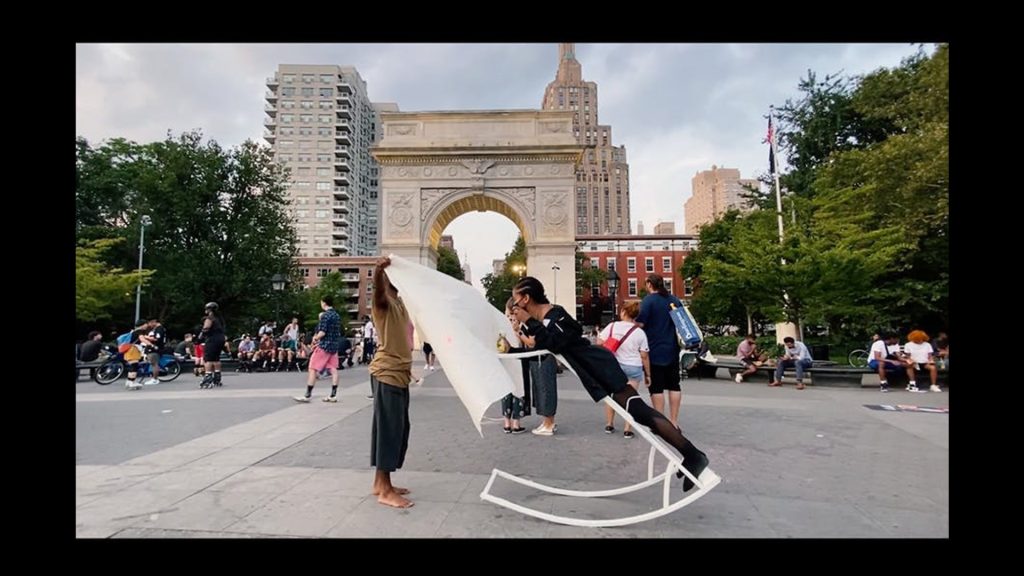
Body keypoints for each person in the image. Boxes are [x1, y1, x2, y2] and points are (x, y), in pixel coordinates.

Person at [510, 276, 711, 492]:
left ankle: (693, 455)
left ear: (525, 299)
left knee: (640, 412)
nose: (513, 307)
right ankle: (691, 455)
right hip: (597, 369)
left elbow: (555, 342)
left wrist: (528, 322)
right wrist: (512, 351)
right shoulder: (548, 319)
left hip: (600, 367)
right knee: (639, 412)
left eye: (514, 301)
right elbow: (543, 350)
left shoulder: (555, 315)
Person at [368, 256, 415, 508]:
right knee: (389, 430)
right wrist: (378, 273)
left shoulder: (400, 304)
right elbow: (377, 294)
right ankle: (385, 491)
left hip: (399, 373)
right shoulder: (383, 304)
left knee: (397, 429)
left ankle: (380, 483)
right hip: (387, 372)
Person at [636, 274, 685, 425]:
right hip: (672, 348)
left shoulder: (648, 301)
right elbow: (682, 322)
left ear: (650, 284)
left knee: (656, 387)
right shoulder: (674, 300)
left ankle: (661, 423)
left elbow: (641, 324)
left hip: (654, 350)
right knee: (674, 385)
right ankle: (674, 421)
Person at [597, 300, 650, 438]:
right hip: (633, 366)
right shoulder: (639, 332)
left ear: (624, 312)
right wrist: (648, 375)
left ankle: (609, 423)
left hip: (614, 365)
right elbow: (644, 355)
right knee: (630, 398)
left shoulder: (612, 326)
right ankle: (628, 429)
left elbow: (599, 343)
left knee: (611, 396)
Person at [294, 296, 343, 403]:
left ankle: (308, 394)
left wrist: (315, 338)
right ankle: (333, 395)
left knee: (312, 368)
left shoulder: (326, 316)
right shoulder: (336, 315)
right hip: (334, 347)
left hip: (324, 346)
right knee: (333, 369)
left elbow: (323, 332)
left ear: (324, 303)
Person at [199, 302, 227, 388]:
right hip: (221, 339)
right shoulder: (219, 319)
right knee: (216, 358)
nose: (205, 311)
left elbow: (206, 328)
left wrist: (200, 336)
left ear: (209, 310)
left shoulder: (210, 318)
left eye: (206, 309)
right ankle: (217, 378)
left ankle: (208, 378)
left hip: (212, 339)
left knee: (208, 359)